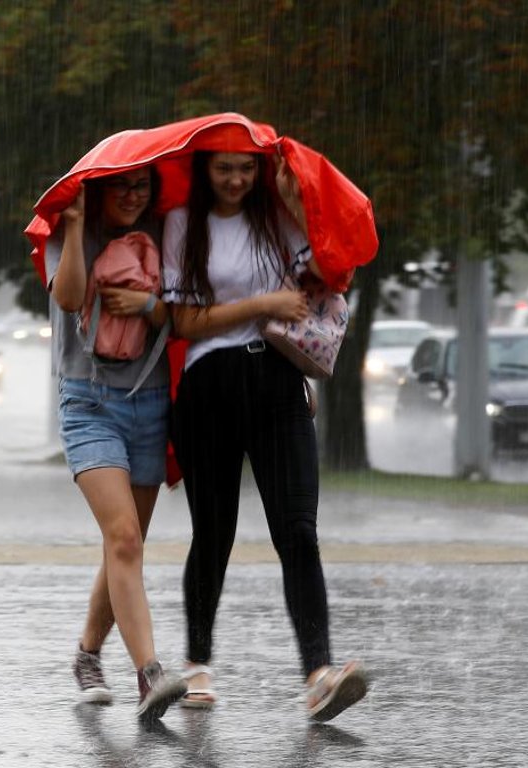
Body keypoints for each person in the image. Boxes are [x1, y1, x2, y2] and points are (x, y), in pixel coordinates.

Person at [162, 149, 368, 721]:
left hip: (277, 380)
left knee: (298, 530)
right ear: (205, 170)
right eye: (224, 168)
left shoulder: (277, 219)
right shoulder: (184, 224)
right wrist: (263, 303)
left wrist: (300, 202)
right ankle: (197, 664)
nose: (235, 179)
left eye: (246, 169)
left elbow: (331, 274)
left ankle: (319, 673)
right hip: (210, 388)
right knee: (214, 534)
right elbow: (182, 322)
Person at [46, 166, 187, 722]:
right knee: (123, 535)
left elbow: (189, 315)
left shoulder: (168, 231)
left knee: (125, 544)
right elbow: (68, 298)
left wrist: (149, 308)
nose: (132, 197)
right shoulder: (69, 229)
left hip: (151, 403)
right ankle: (150, 673)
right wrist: (77, 226)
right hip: (89, 402)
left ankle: (86, 653)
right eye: (121, 187)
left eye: (142, 187)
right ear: (100, 190)